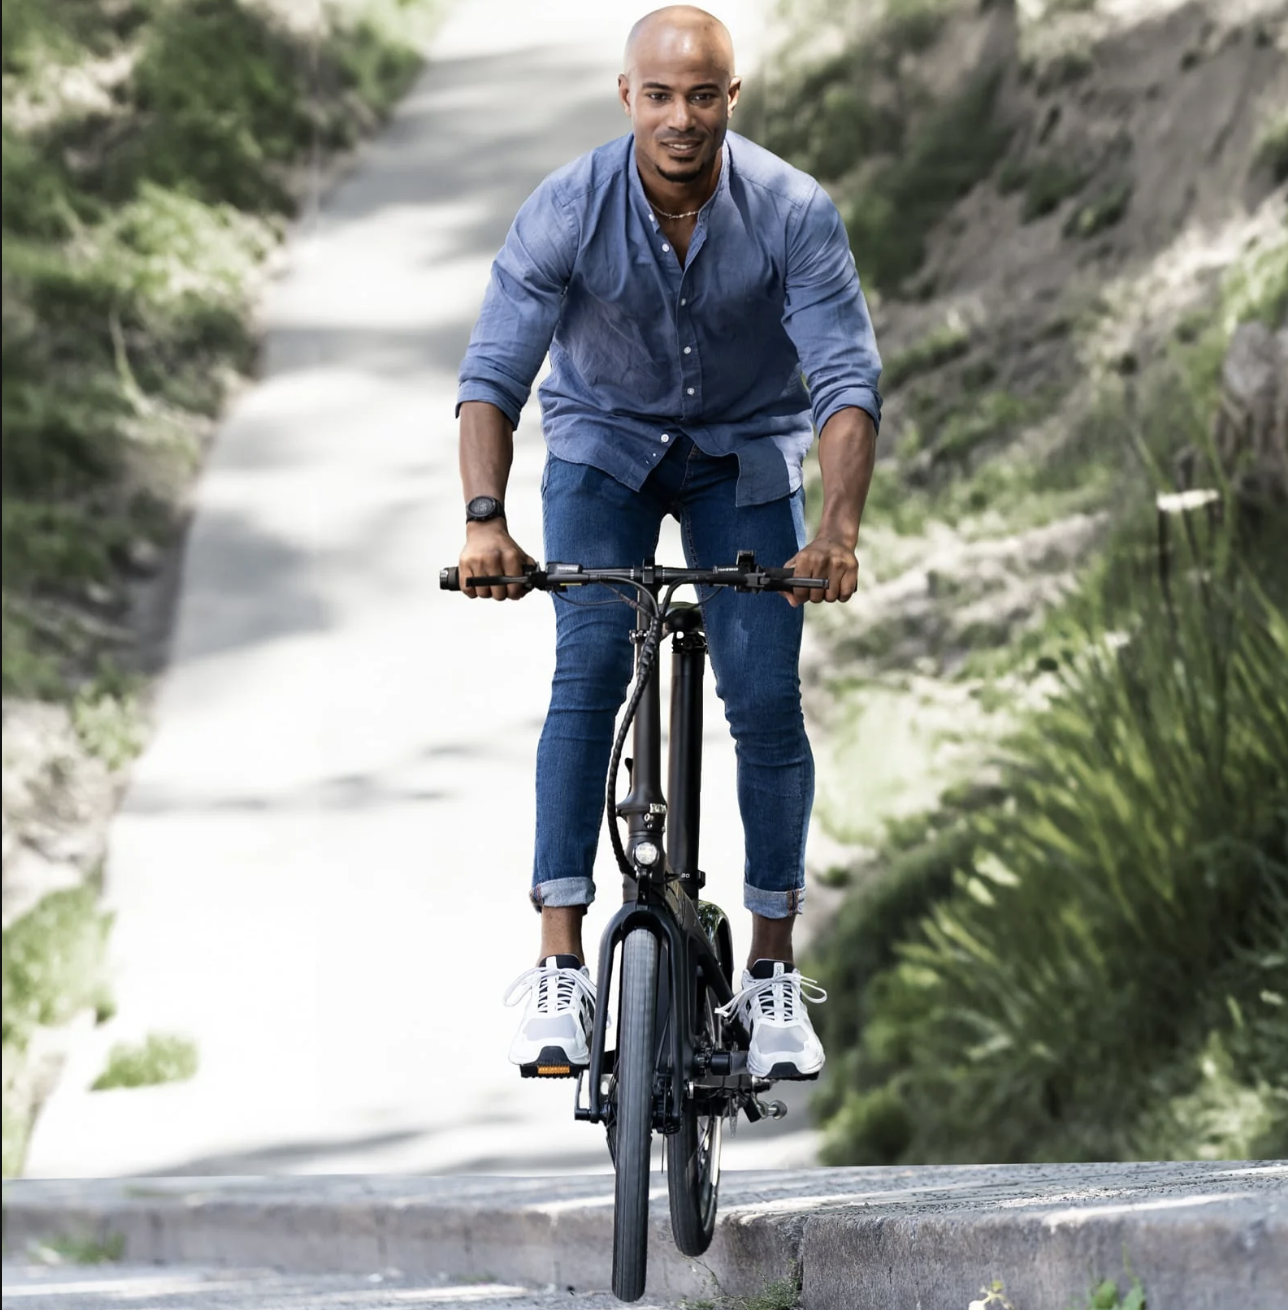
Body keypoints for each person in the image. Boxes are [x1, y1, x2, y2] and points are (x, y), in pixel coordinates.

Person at [455, 5, 881, 1080]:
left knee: (765, 692)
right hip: (604, 449)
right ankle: (559, 965)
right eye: (659, 96)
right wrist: (486, 521)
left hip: (742, 456)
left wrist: (834, 530)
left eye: (702, 96)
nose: (680, 118)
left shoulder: (791, 212)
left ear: (731, 99)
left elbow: (843, 381)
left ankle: (773, 976)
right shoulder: (567, 208)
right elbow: (493, 378)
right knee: (589, 665)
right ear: (626, 97)